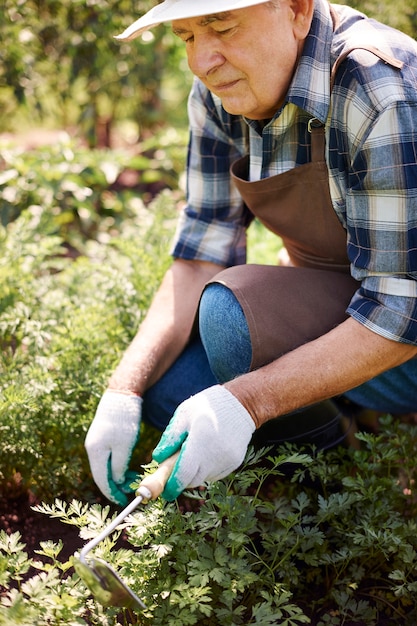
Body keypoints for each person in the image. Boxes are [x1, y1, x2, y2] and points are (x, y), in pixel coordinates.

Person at [85, 0, 417, 507]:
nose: (202, 61)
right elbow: (202, 252)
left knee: (228, 319)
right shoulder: (220, 90)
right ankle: (339, 428)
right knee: (169, 391)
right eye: (187, 37)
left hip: (404, 331)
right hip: (346, 303)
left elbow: (402, 311)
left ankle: (342, 494)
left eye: (222, 27)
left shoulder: (376, 86)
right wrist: (122, 391)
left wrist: (249, 401)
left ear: (298, 11)